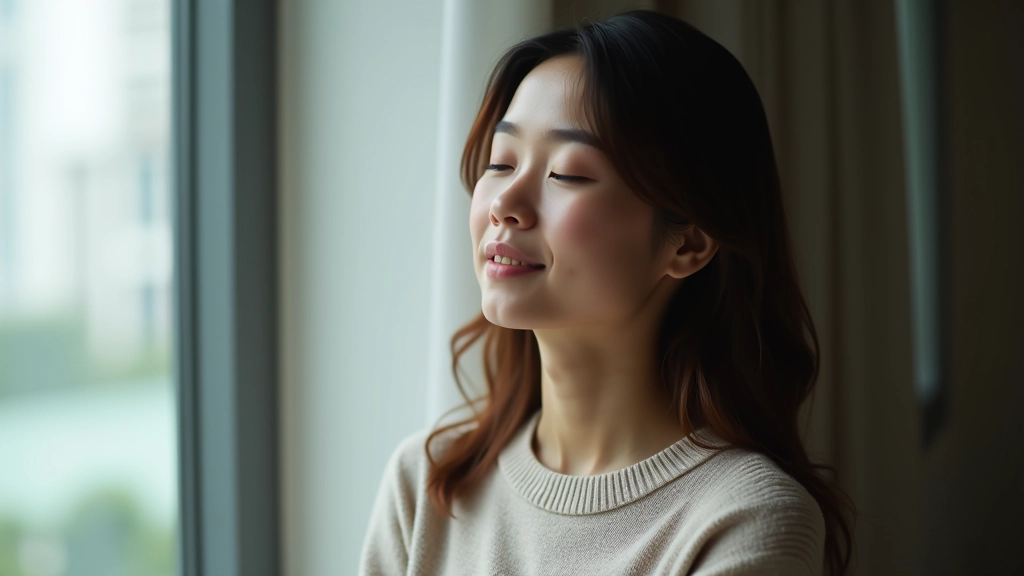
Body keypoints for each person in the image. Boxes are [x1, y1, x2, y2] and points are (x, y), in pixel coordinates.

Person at [359, 10, 854, 576]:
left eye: (567, 174)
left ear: (689, 242)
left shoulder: (746, 518)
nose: (505, 204)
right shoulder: (426, 483)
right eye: (501, 163)